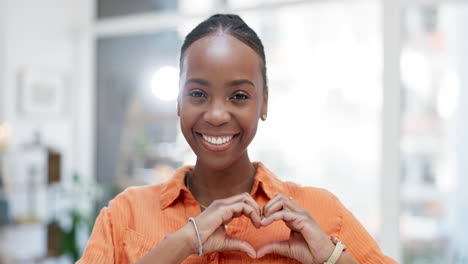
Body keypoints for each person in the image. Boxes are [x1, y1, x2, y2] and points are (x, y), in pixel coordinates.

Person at [77, 14, 397, 264]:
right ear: (178, 102)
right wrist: (183, 242)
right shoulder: (126, 213)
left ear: (264, 103)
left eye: (239, 95)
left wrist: (330, 257)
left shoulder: (321, 210)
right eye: (198, 94)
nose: (216, 114)